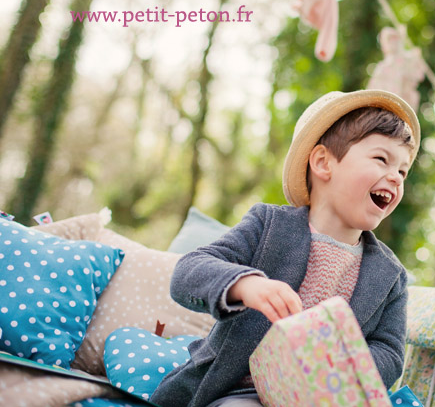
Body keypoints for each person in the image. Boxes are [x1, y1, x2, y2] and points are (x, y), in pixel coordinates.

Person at [151, 90, 421, 407]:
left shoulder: (390, 275)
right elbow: (188, 271)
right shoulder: (270, 225)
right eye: (381, 159)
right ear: (323, 163)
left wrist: (341, 365)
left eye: (402, 171)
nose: (395, 177)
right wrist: (246, 284)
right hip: (239, 391)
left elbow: (389, 351)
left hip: (323, 398)